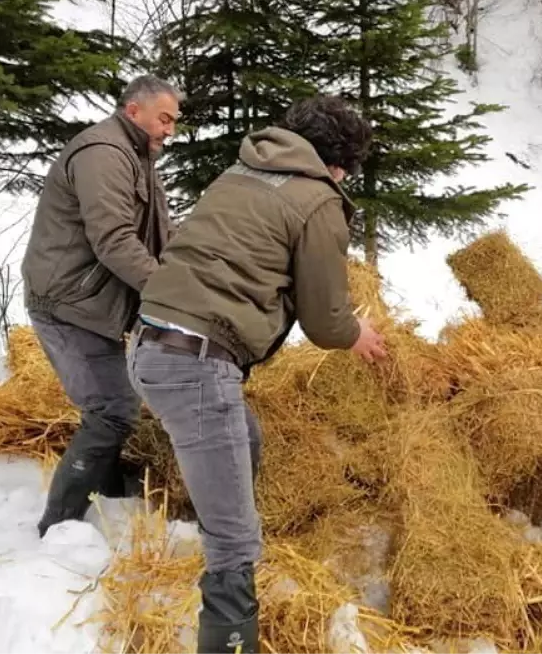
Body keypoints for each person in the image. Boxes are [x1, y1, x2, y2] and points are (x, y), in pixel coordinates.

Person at [127, 94, 388, 653]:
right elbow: (324, 318)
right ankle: (230, 622)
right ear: (336, 162)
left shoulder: (241, 172)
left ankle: (230, 509)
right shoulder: (317, 199)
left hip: (149, 345)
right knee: (233, 546)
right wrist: (355, 335)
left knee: (245, 435)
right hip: (196, 362)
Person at [20, 75, 181, 537]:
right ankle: (58, 527)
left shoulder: (136, 157)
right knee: (111, 408)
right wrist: (166, 292)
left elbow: (156, 236)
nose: (170, 129)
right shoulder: (104, 154)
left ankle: (109, 499)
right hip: (70, 303)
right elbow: (113, 240)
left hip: (94, 305)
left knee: (118, 401)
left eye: (174, 122)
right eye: (164, 118)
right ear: (134, 111)